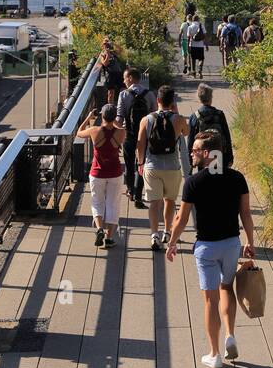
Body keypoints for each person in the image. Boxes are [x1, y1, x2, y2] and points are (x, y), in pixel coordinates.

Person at [167, 130, 257, 368]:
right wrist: (250, 241)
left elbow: (181, 219)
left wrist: (172, 242)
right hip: (231, 244)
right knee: (227, 287)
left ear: (207, 154)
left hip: (206, 247)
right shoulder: (237, 178)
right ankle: (230, 334)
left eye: (196, 150)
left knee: (210, 301)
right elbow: (245, 214)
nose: (192, 154)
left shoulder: (194, 182)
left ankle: (215, 354)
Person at [137, 84, 192, 251]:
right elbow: (187, 132)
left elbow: (140, 144)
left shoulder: (146, 120)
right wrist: (175, 112)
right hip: (173, 167)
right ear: (172, 101)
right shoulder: (179, 119)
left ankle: (154, 234)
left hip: (152, 166)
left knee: (154, 203)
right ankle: (167, 232)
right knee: (170, 201)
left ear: (158, 100)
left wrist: (140, 163)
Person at [76, 103, 125, 249]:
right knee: (113, 204)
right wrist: (114, 121)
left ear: (102, 116)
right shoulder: (121, 133)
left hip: (97, 173)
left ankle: (99, 229)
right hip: (115, 172)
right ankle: (109, 238)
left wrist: (88, 118)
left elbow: (79, 132)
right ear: (114, 116)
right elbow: (118, 127)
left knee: (97, 202)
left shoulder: (94, 131)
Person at [116, 67, 151, 209]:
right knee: (141, 165)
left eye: (125, 78)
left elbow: (119, 119)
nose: (123, 81)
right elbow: (154, 115)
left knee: (129, 165)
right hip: (145, 137)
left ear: (130, 78)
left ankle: (130, 190)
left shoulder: (123, 95)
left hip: (129, 136)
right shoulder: (149, 94)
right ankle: (138, 195)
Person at [188, 83, 233, 169]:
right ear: (211, 97)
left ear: (199, 98)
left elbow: (190, 141)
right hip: (219, 154)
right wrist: (230, 157)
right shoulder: (219, 114)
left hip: (202, 157)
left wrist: (191, 160)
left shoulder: (194, 117)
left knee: (204, 180)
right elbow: (227, 137)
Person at [99, 39, 123, 105]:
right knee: (111, 92)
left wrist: (114, 43)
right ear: (103, 46)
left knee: (123, 88)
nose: (107, 46)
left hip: (118, 72)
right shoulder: (102, 54)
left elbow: (120, 50)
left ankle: (122, 103)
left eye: (108, 44)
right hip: (110, 73)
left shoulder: (113, 52)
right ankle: (110, 107)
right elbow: (105, 64)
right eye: (105, 44)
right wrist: (107, 55)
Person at [187, 14, 206, 79]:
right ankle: (200, 70)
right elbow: (204, 36)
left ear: (192, 19)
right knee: (201, 59)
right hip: (200, 45)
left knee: (193, 59)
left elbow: (189, 38)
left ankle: (194, 73)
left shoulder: (190, 27)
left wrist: (188, 46)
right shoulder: (201, 26)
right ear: (198, 19)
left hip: (193, 45)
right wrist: (206, 45)